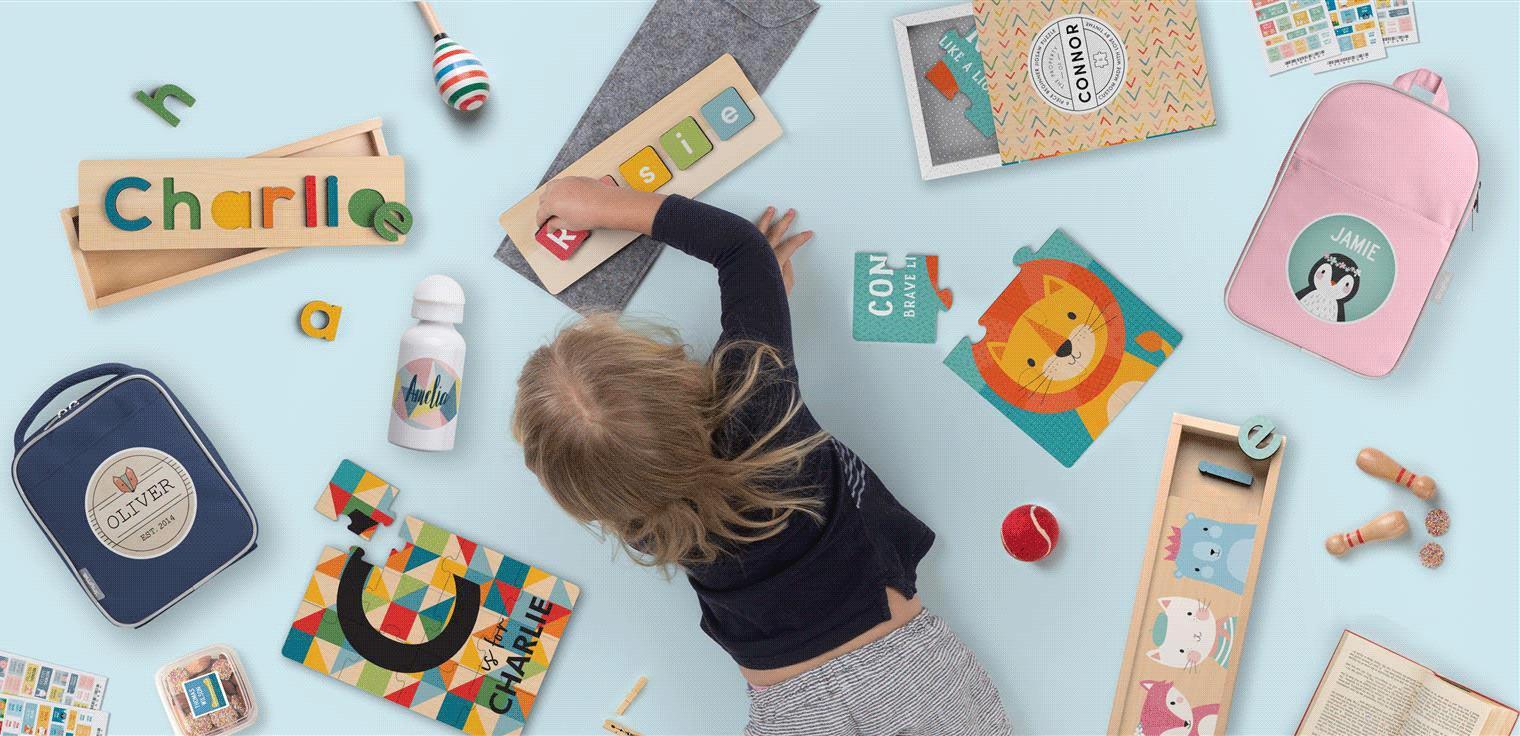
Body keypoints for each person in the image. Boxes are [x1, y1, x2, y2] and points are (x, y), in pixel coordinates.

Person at [512, 177, 1011, 735]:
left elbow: (646, 465)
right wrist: (608, 206)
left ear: (590, 498)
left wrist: (759, 329)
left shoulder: (642, 523)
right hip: (908, 678)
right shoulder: (760, 399)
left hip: (790, 713)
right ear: (680, 371)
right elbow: (741, 248)